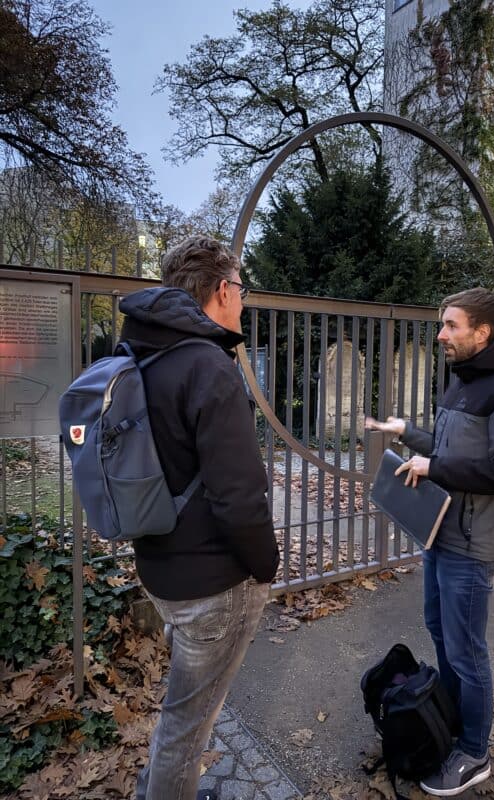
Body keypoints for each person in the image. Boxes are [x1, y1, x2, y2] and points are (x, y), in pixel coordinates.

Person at [118, 235, 280, 800]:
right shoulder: (209, 366)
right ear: (218, 290)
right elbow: (239, 497)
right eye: (239, 288)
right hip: (214, 583)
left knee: (183, 709)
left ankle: (165, 786)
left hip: (160, 567)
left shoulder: (140, 356)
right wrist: (267, 565)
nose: (242, 299)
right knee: (188, 728)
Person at [365, 287, 494, 797]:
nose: (441, 334)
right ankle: (452, 723)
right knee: (442, 633)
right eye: (442, 324)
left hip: (472, 540)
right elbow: (447, 448)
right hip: (440, 531)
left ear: (482, 332)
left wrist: (434, 465)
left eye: (451, 325)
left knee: (466, 652)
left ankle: (474, 752)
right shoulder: (461, 383)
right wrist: (410, 435)